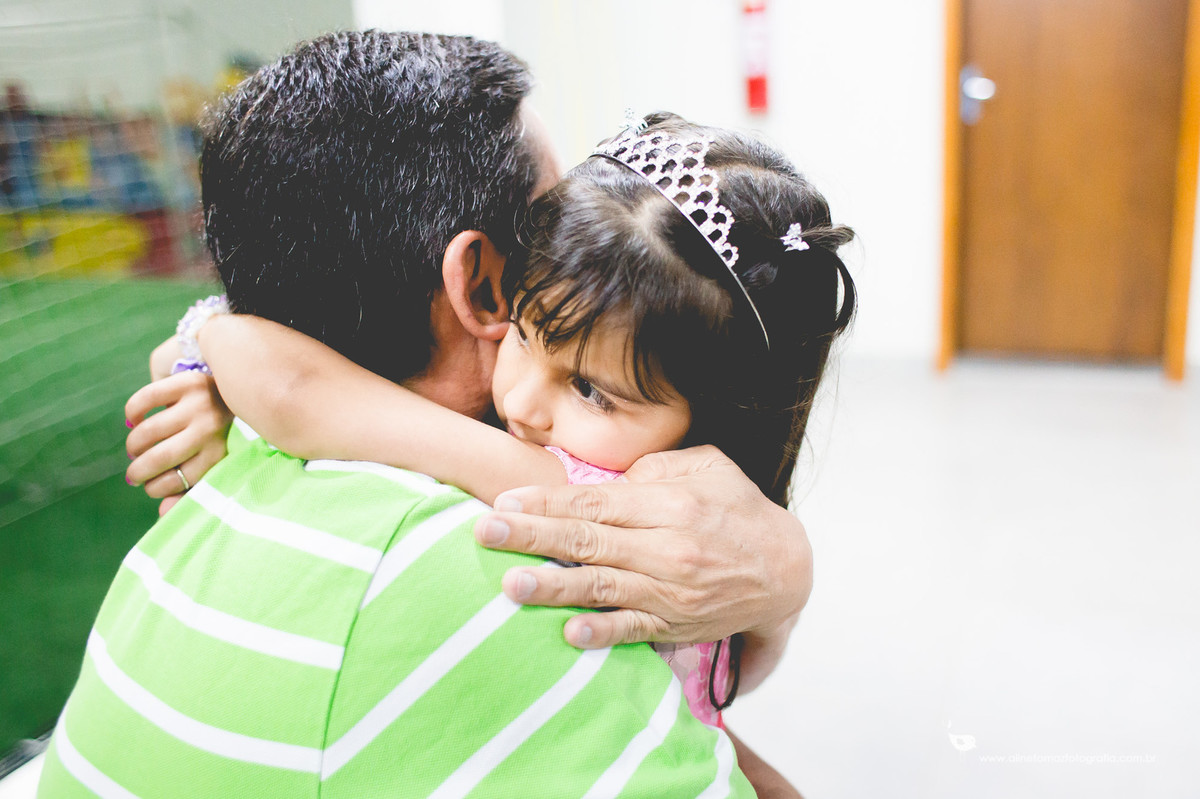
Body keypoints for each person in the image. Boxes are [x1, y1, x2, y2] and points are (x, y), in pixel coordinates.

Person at [35, 31, 796, 798]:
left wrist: (206, 342)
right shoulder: (503, 567)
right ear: (487, 285)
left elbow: (292, 388)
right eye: (548, 240)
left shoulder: (251, 453)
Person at [164, 112, 856, 730]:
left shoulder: (577, 491)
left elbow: (291, 389)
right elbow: (737, 679)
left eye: (590, 391)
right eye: (524, 334)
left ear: (717, 416)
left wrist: (208, 337)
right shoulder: (721, 527)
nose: (522, 404)